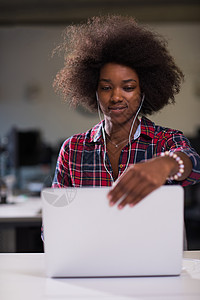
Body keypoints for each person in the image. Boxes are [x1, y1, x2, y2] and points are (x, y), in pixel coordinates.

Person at [52, 15, 200, 209]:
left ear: (144, 90)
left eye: (128, 87)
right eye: (106, 88)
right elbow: (57, 212)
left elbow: (194, 165)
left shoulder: (164, 141)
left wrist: (166, 164)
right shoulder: (73, 149)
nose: (116, 97)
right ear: (93, 90)